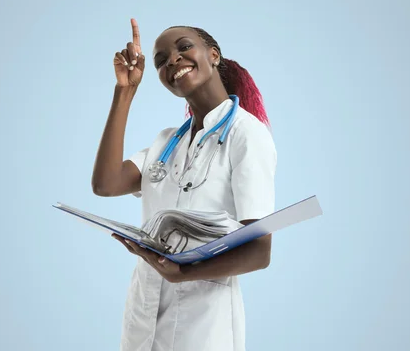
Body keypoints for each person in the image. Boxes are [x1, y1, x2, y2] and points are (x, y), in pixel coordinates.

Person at [91, 18, 277, 351]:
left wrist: (183, 272)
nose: (172, 60)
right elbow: (105, 184)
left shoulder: (247, 135)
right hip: (143, 316)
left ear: (213, 55)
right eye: (161, 61)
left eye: (184, 47)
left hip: (204, 322)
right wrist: (124, 92)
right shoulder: (166, 143)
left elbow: (259, 251)